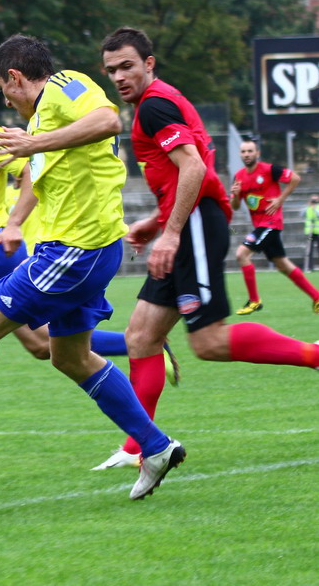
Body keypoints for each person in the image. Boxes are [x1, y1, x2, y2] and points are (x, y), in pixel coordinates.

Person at [0, 35, 185, 501]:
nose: (6, 100)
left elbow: (108, 120)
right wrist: (18, 218)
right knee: (68, 356)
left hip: (75, 253)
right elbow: (37, 181)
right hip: (76, 252)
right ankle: (156, 447)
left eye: (5, 90)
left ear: (16, 78)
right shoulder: (39, 122)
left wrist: (34, 143)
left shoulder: (65, 86)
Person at [97, 26, 319, 471]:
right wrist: (157, 222)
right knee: (141, 336)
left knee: (209, 342)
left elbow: (194, 169)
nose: (119, 76)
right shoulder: (160, 101)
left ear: (149, 64)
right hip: (193, 220)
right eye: (111, 70)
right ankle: (139, 446)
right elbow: (194, 168)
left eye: (127, 66)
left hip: (196, 223)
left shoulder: (155, 107)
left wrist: (173, 231)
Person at [230, 139, 317, 315]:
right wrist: (235, 195)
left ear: (257, 153)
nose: (246, 154)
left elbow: (295, 178)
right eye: (243, 152)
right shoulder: (238, 176)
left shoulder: (269, 170)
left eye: (250, 151)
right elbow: (235, 206)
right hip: (260, 225)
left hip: (270, 223)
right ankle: (316, 297)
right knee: (282, 265)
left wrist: (280, 199)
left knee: (241, 253)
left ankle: (254, 300)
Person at [303, 194, 319, 272]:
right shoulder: (307, 208)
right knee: (309, 249)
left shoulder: (318, 207)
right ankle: (309, 267)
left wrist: (315, 208)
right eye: (313, 200)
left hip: (318, 232)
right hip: (310, 232)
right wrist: (308, 206)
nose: (314, 201)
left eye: (315, 200)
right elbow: (302, 214)